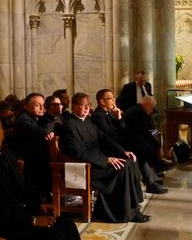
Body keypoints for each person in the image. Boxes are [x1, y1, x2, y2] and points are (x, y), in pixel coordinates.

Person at [60, 93, 149, 223]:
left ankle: (132, 208)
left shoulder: (88, 120)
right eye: (82, 105)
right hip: (84, 167)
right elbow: (79, 154)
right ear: (73, 106)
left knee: (128, 162)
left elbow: (104, 138)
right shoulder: (69, 126)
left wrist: (123, 152)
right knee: (121, 169)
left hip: (96, 161)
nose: (86, 108)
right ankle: (120, 213)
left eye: (88, 105)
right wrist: (107, 160)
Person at [93, 90, 167, 194]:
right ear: (102, 102)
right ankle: (155, 169)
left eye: (113, 97)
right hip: (109, 148)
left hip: (117, 143)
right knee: (137, 142)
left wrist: (118, 117)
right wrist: (125, 143)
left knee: (139, 144)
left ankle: (153, 178)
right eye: (110, 98)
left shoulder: (109, 113)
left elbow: (123, 129)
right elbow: (110, 135)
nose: (114, 100)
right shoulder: (98, 115)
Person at [12, 93, 53, 201]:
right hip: (29, 158)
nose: (41, 108)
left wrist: (49, 133)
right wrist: (51, 128)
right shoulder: (23, 119)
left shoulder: (35, 118)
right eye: (37, 105)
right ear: (26, 105)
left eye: (43, 105)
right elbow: (42, 132)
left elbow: (44, 132)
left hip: (36, 155)